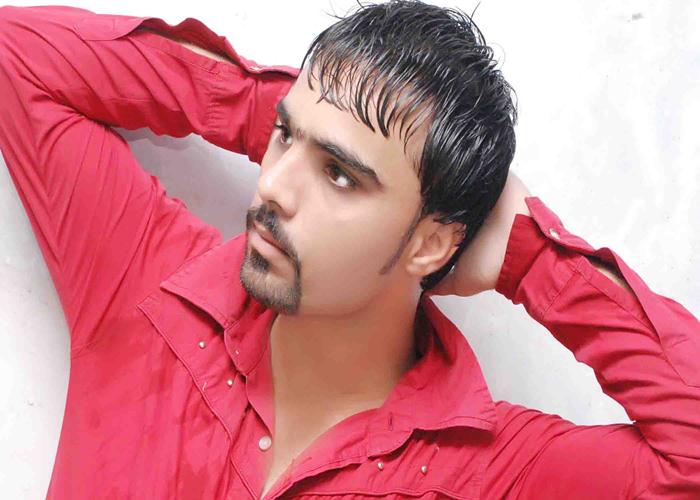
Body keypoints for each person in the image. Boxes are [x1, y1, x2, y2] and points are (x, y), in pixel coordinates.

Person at [0, 1, 697, 498]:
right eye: (282, 139)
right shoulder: (148, 285)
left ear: (430, 242)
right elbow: (16, 54)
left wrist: (531, 259)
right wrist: (292, 110)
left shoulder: (489, 474)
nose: (273, 187)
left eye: (339, 175)